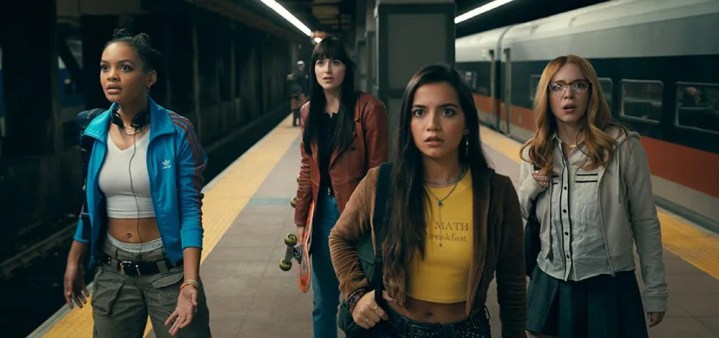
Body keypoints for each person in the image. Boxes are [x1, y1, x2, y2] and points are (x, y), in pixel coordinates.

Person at [329, 64, 527, 337]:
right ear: (409, 124)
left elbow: (513, 281)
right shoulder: (382, 182)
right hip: (392, 327)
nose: (432, 125)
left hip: (467, 331)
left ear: (467, 123)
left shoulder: (497, 193)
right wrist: (355, 294)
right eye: (419, 112)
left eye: (447, 112)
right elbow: (340, 237)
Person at [63, 28, 211, 338]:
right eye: (105, 67)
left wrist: (190, 281)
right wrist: (74, 260)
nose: (111, 76)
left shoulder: (177, 131)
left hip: (168, 273)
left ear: (150, 78)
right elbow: (89, 206)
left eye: (125, 67)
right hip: (112, 273)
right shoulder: (92, 132)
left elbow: (189, 211)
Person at [518, 55, 668, 338]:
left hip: (609, 284)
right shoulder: (534, 151)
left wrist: (656, 290)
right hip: (550, 282)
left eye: (578, 85)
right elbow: (522, 213)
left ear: (592, 92)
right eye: (557, 86)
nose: (568, 95)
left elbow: (645, 220)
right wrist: (531, 187)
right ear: (546, 95)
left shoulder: (622, 146)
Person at [294, 35, 389, 338]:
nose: (327, 69)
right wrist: (300, 218)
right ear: (313, 69)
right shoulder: (309, 112)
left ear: (347, 68)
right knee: (323, 300)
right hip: (321, 215)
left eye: (335, 61)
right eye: (320, 62)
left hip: (357, 215)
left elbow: (378, 172)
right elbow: (307, 167)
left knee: (358, 297)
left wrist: (376, 223)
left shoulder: (369, 109)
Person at [289, 60, 309, 126]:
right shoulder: (299, 73)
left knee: (297, 108)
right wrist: (299, 91)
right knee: (300, 107)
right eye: (301, 65)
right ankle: (298, 122)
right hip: (300, 93)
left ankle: (296, 122)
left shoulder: (300, 73)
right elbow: (294, 83)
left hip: (298, 93)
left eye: (302, 65)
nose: (302, 66)